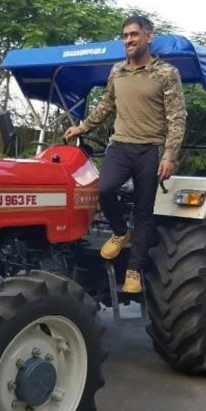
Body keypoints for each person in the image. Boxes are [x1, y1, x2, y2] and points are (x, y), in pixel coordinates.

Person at [64, 15, 186, 293]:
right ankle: (120, 232)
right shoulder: (117, 71)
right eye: (125, 35)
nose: (129, 40)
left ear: (148, 36)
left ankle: (133, 271)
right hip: (120, 145)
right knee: (104, 189)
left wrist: (169, 155)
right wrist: (81, 127)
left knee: (144, 212)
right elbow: (106, 105)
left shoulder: (166, 73)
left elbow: (177, 117)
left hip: (150, 149)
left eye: (134, 34)